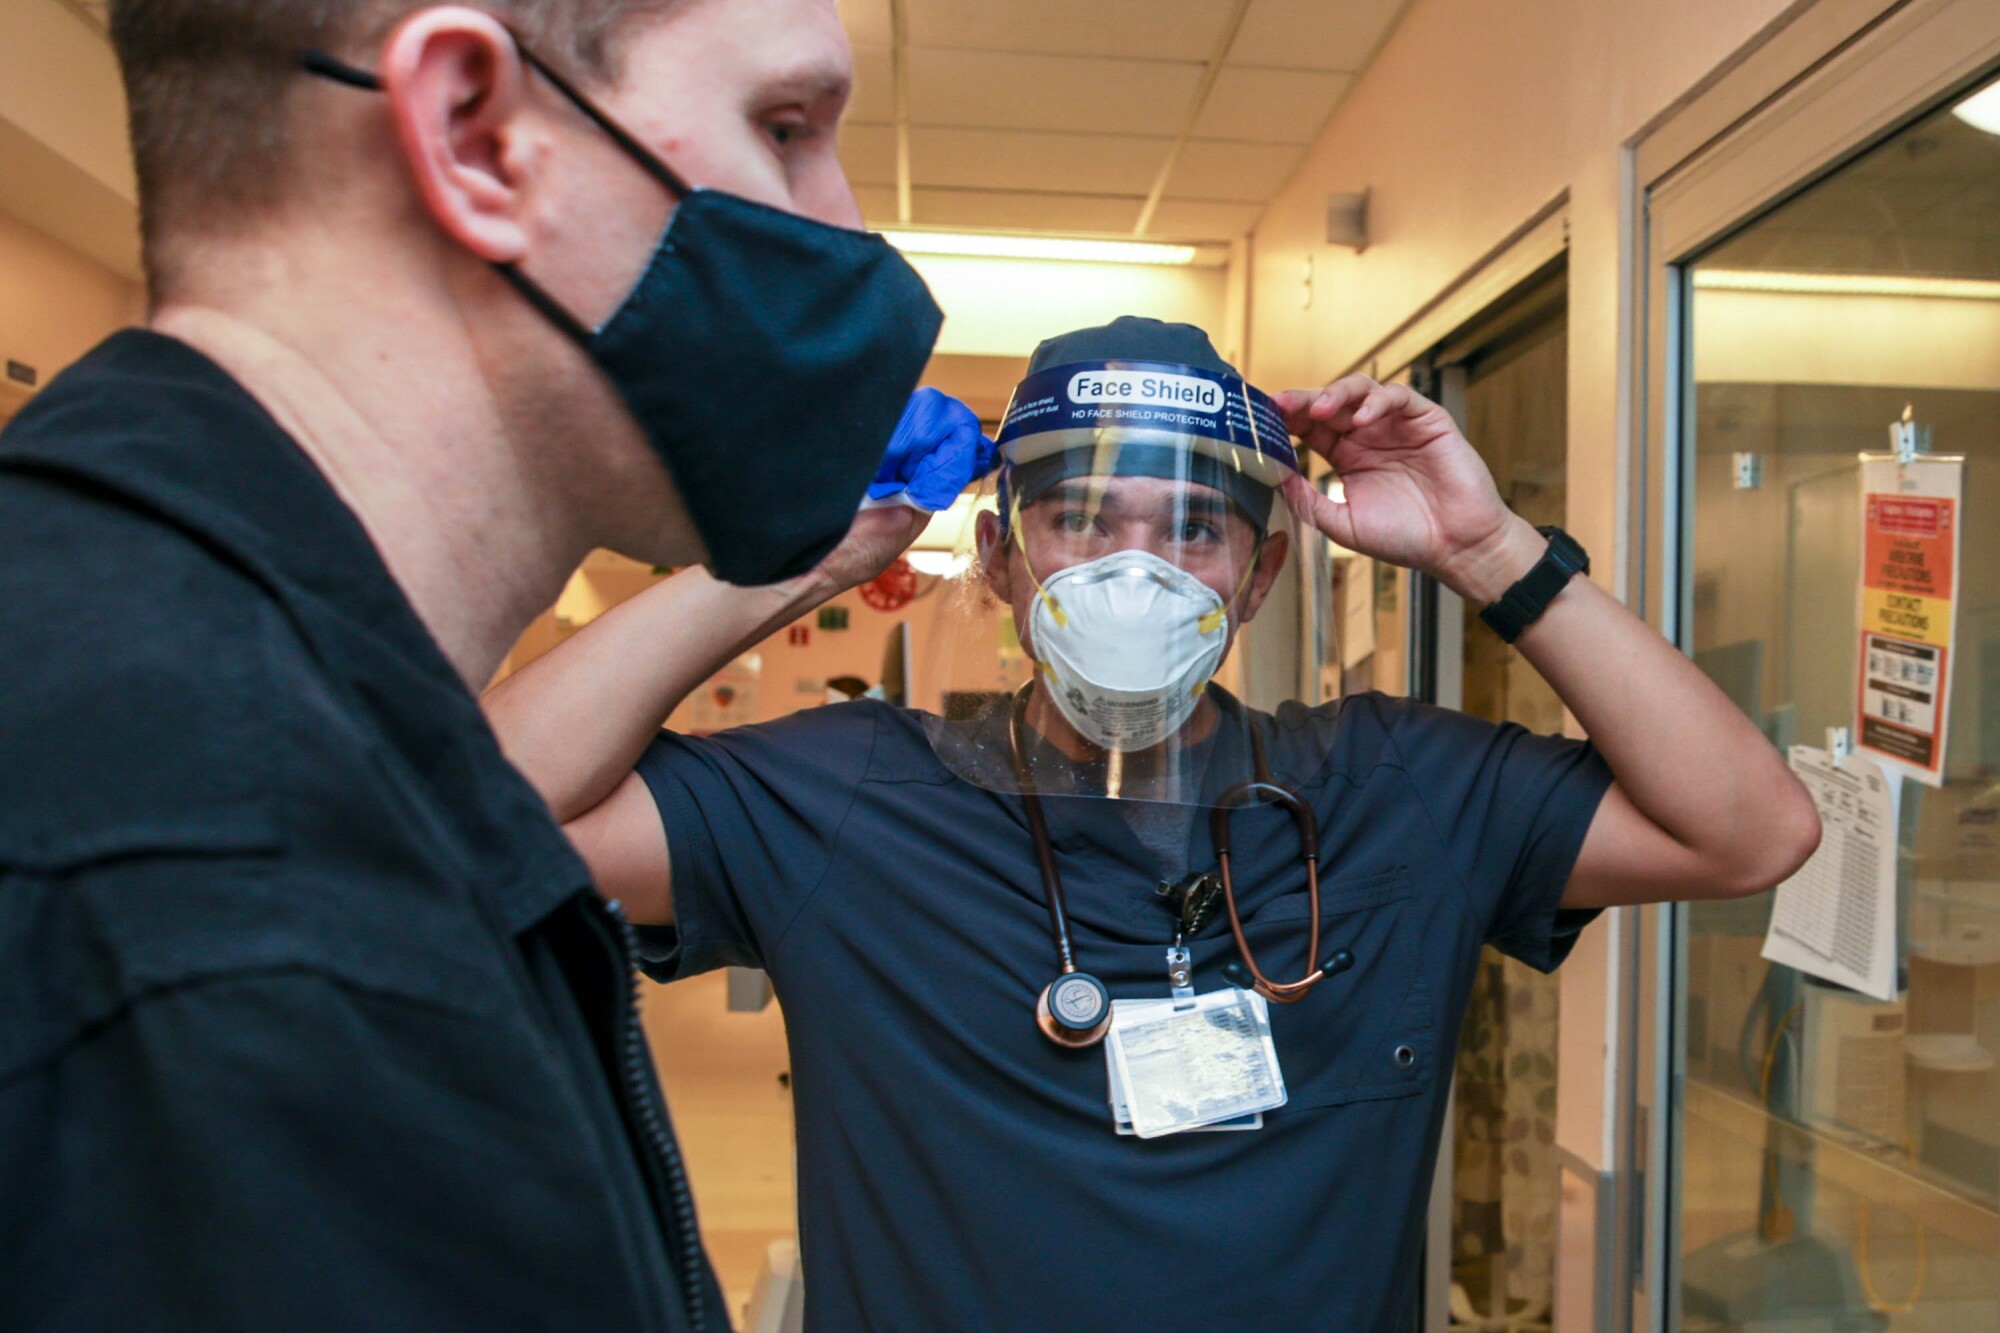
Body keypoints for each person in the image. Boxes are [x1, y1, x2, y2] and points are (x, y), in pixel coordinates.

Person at [486, 316, 1822, 1329]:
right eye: (1077, 520)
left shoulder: (1393, 795)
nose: (1135, 573)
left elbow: (1750, 829)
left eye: (1194, 527)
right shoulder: (851, 802)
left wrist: (1491, 555)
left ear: (1260, 571)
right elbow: (470, 808)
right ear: (1003, 560)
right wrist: (810, 556)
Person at [0, 2, 952, 1330]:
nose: (849, 232)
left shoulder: (306, 732)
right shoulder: (203, 871)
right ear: (477, 134)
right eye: (783, 129)